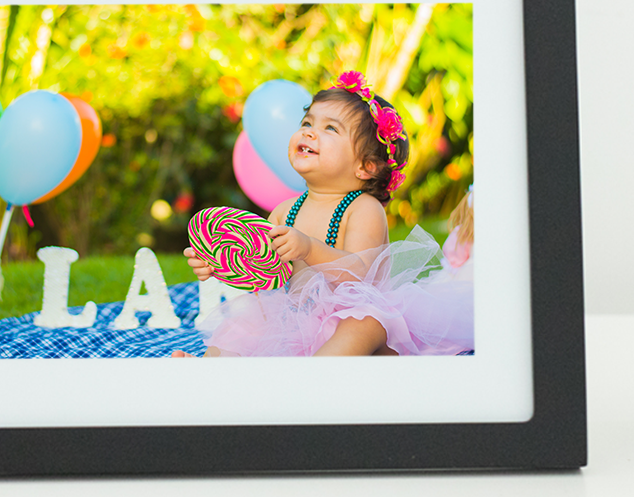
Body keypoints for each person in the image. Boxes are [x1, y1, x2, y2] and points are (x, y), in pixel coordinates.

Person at [174, 71, 473, 358]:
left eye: (330, 128)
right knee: (245, 316)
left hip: (349, 321)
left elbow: (360, 275)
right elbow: (262, 268)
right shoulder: (285, 210)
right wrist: (219, 264)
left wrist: (309, 248)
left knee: (365, 322)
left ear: (366, 166)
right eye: (307, 122)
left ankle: (317, 377)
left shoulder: (362, 209)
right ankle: (212, 369)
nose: (309, 132)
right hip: (297, 322)